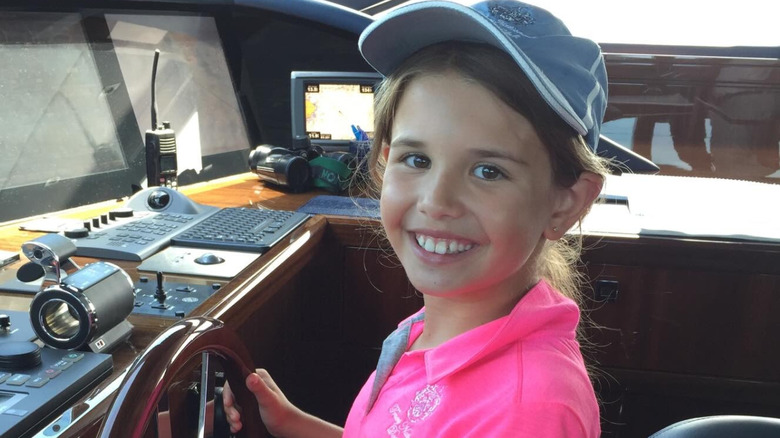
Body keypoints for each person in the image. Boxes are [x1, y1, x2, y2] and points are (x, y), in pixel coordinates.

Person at [223, 1, 609, 436]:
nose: (437, 201)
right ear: (385, 162)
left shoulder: (526, 412)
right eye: (417, 159)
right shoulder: (443, 326)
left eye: (488, 171)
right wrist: (291, 424)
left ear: (566, 204)